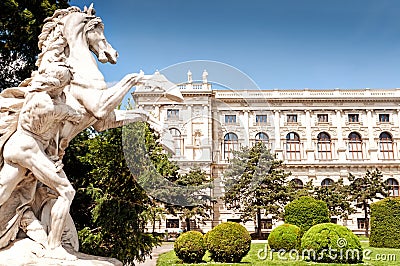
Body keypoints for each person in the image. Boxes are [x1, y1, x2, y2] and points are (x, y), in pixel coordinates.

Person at [0, 62, 82, 260]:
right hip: (28, 148)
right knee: (67, 192)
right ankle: (54, 247)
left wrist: (53, 157)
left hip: (22, 145)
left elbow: (50, 133)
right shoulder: (46, 103)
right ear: (59, 83)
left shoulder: (41, 93)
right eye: (67, 83)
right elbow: (76, 115)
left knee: (3, 191)